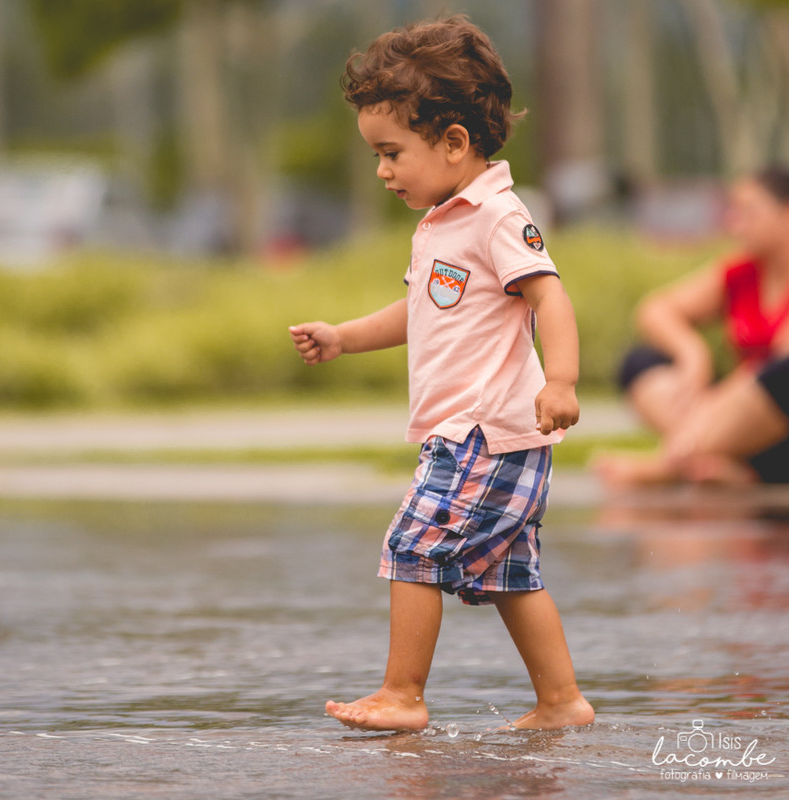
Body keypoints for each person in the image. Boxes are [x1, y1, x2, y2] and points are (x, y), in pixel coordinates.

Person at [288, 16, 594, 733]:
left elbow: (549, 294)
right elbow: (419, 310)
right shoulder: (443, 222)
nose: (382, 170)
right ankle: (561, 702)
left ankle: (403, 694)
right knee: (510, 575)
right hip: (483, 437)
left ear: (454, 142)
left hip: (484, 433)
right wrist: (343, 337)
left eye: (391, 153)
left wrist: (561, 380)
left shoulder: (496, 216)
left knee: (413, 547)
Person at [597, 168, 789, 485]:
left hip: (774, 428)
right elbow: (654, 310)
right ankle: (726, 464)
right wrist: (693, 353)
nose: (734, 224)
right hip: (736, 418)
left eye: (748, 212)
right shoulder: (742, 272)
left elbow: (773, 367)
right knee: (640, 361)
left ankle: (668, 466)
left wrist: (715, 408)